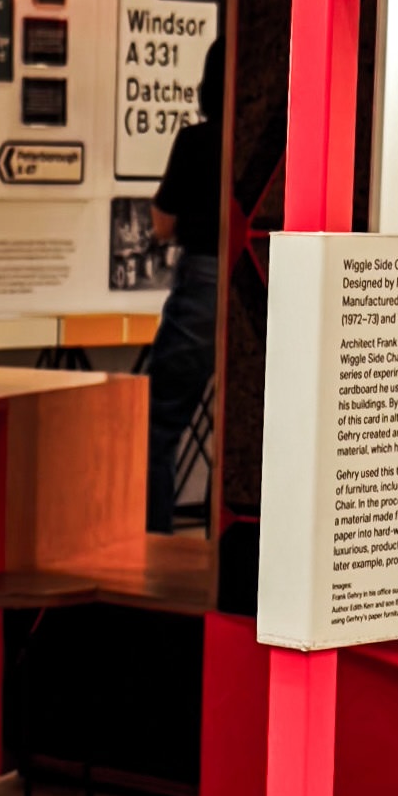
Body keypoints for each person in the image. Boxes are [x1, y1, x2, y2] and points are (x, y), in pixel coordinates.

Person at [143, 31, 224, 531]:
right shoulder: (283, 140)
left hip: (204, 282)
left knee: (158, 422)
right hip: (272, 283)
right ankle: (231, 541)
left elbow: (162, 223)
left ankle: (152, 541)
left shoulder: (196, 141)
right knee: (249, 428)